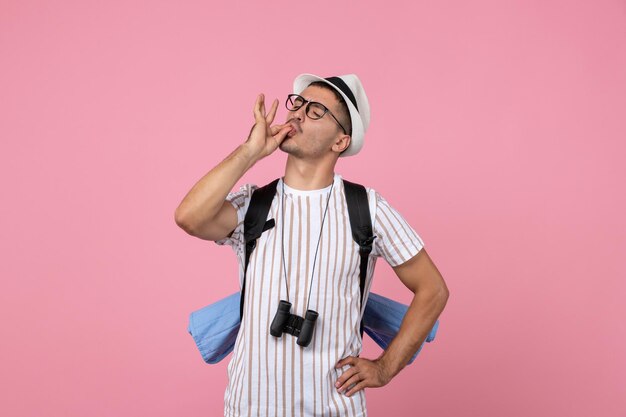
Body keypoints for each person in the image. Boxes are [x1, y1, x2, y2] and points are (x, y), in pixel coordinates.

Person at [175, 73, 449, 417]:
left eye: (316, 109)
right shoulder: (253, 205)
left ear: (340, 141)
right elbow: (189, 217)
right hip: (249, 407)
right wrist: (250, 152)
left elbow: (433, 290)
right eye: (298, 103)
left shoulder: (367, 209)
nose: (298, 113)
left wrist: (384, 367)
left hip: (333, 408)